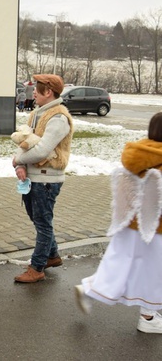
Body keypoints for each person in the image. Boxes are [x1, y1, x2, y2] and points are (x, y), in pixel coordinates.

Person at [74, 112, 162, 333]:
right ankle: (148, 316)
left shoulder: (139, 152)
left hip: (128, 224)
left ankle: (89, 289)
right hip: (155, 229)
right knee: (152, 272)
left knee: (119, 263)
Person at [12, 73, 73, 283]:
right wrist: (21, 164)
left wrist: (18, 159)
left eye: (37, 90)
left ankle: (37, 267)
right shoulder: (38, 113)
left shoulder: (59, 118)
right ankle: (52, 256)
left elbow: (42, 150)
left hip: (47, 180)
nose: (33, 93)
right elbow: (28, 143)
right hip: (35, 178)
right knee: (40, 220)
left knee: (43, 223)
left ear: (48, 92)